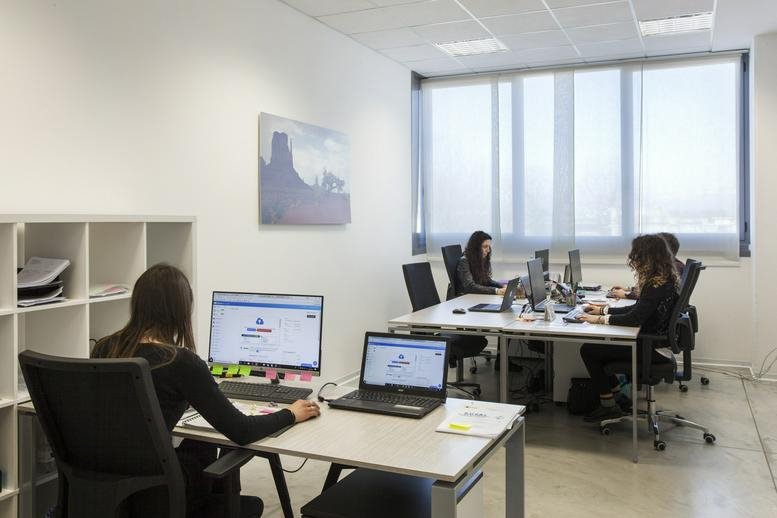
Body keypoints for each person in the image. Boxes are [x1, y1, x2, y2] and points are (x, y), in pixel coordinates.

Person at [92, 264, 320, 517]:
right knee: (210, 452)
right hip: (160, 492)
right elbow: (242, 431)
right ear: (181, 309)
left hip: (106, 484)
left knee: (199, 444)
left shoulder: (104, 348)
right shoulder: (180, 361)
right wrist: (291, 413)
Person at [576, 234, 679, 422]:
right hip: (655, 344)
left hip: (652, 349)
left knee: (589, 350)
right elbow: (637, 309)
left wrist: (599, 320)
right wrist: (602, 310)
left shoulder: (655, 284)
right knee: (596, 345)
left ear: (646, 257)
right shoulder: (662, 279)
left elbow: (634, 317)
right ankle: (616, 397)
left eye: (636, 255)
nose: (633, 259)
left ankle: (608, 405)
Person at [610, 232, 684, 299]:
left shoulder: (674, 268)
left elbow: (653, 294)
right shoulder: (673, 265)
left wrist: (626, 294)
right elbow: (651, 293)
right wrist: (629, 289)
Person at [455, 231, 506, 297]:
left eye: (489, 247)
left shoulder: (480, 259)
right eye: (485, 247)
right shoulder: (464, 261)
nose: (488, 250)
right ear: (475, 248)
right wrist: (496, 291)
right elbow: (470, 286)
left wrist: (502, 286)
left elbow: (486, 280)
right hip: (465, 298)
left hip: (475, 296)